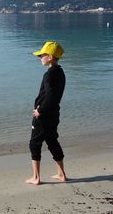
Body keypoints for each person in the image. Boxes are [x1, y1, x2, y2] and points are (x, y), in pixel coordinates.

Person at [26, 41, 67, 185]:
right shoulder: (60, 72)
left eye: (42, 55)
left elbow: (51, 96)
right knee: (52, 141)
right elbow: (55, 96)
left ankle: (36, 178)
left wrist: (40, 110)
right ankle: (62, 174)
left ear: (50, 56)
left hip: (43, 115)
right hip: (54, 113)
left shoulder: (49, 74)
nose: (40, 58)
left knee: (34, 143)